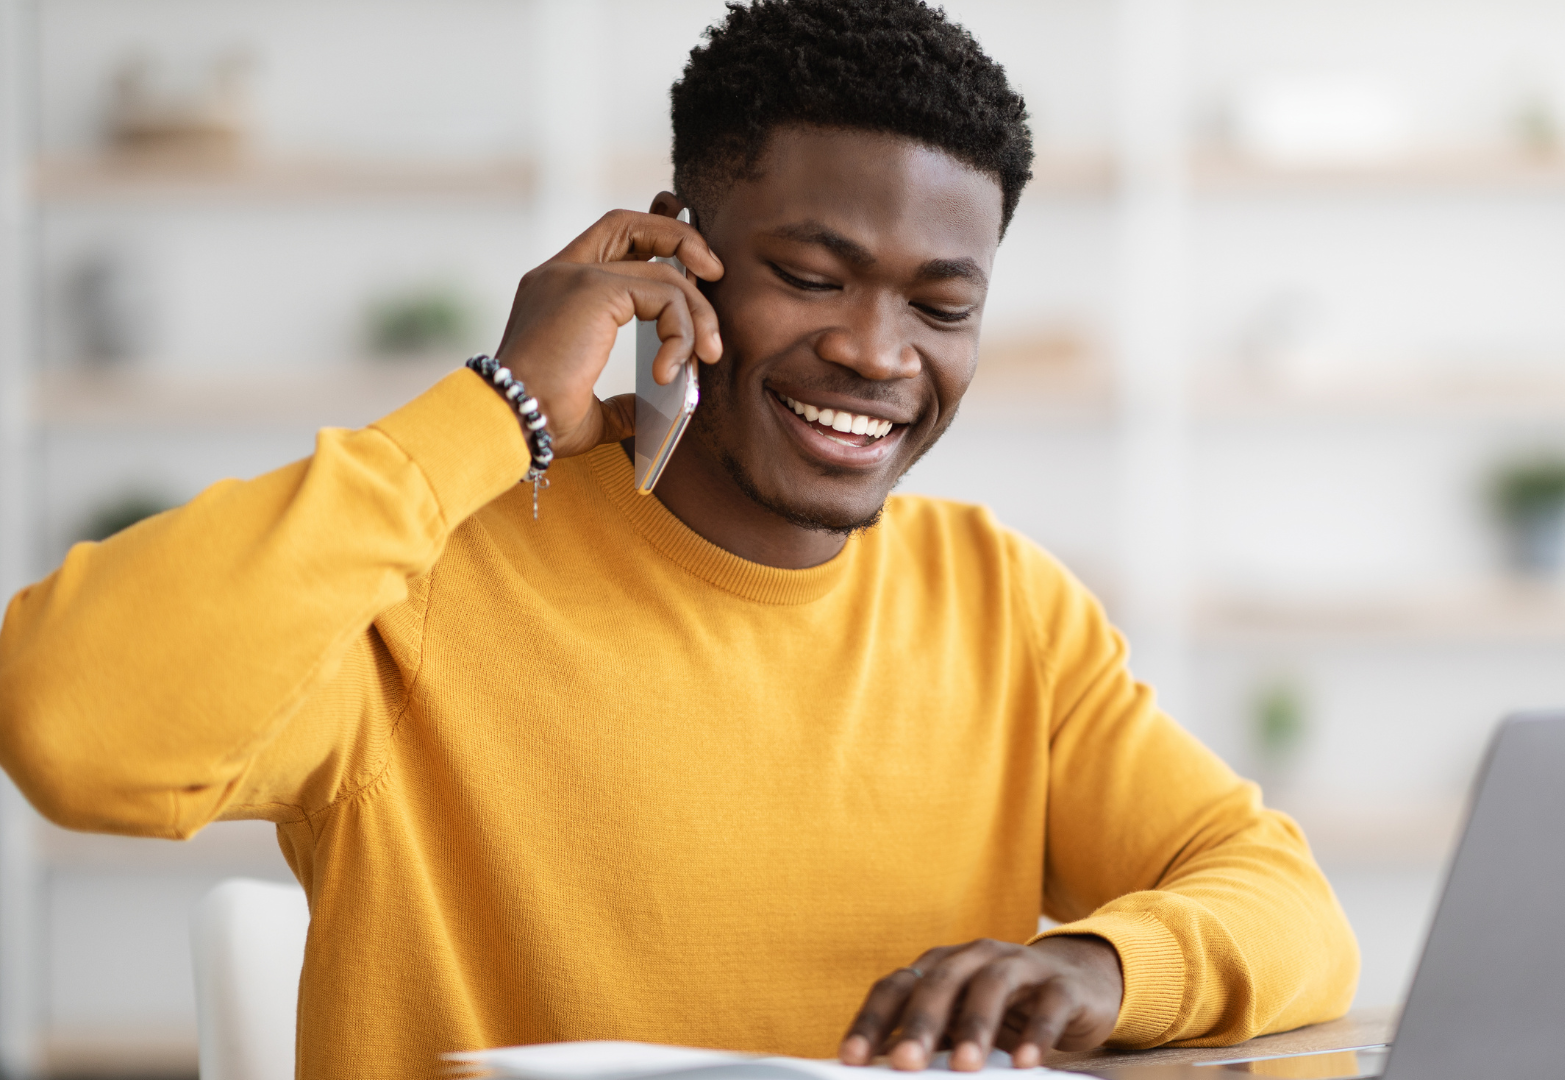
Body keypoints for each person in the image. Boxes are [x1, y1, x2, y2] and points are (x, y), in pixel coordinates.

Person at [0, 1, 1359, 1077]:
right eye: (811, 276)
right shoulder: (422, 572)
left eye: (942, 305)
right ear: (674, 258)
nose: (877, 353)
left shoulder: (999, 602)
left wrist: (1103, 970)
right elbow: (72, 724)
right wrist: (502, 411)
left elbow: (1291, 912)